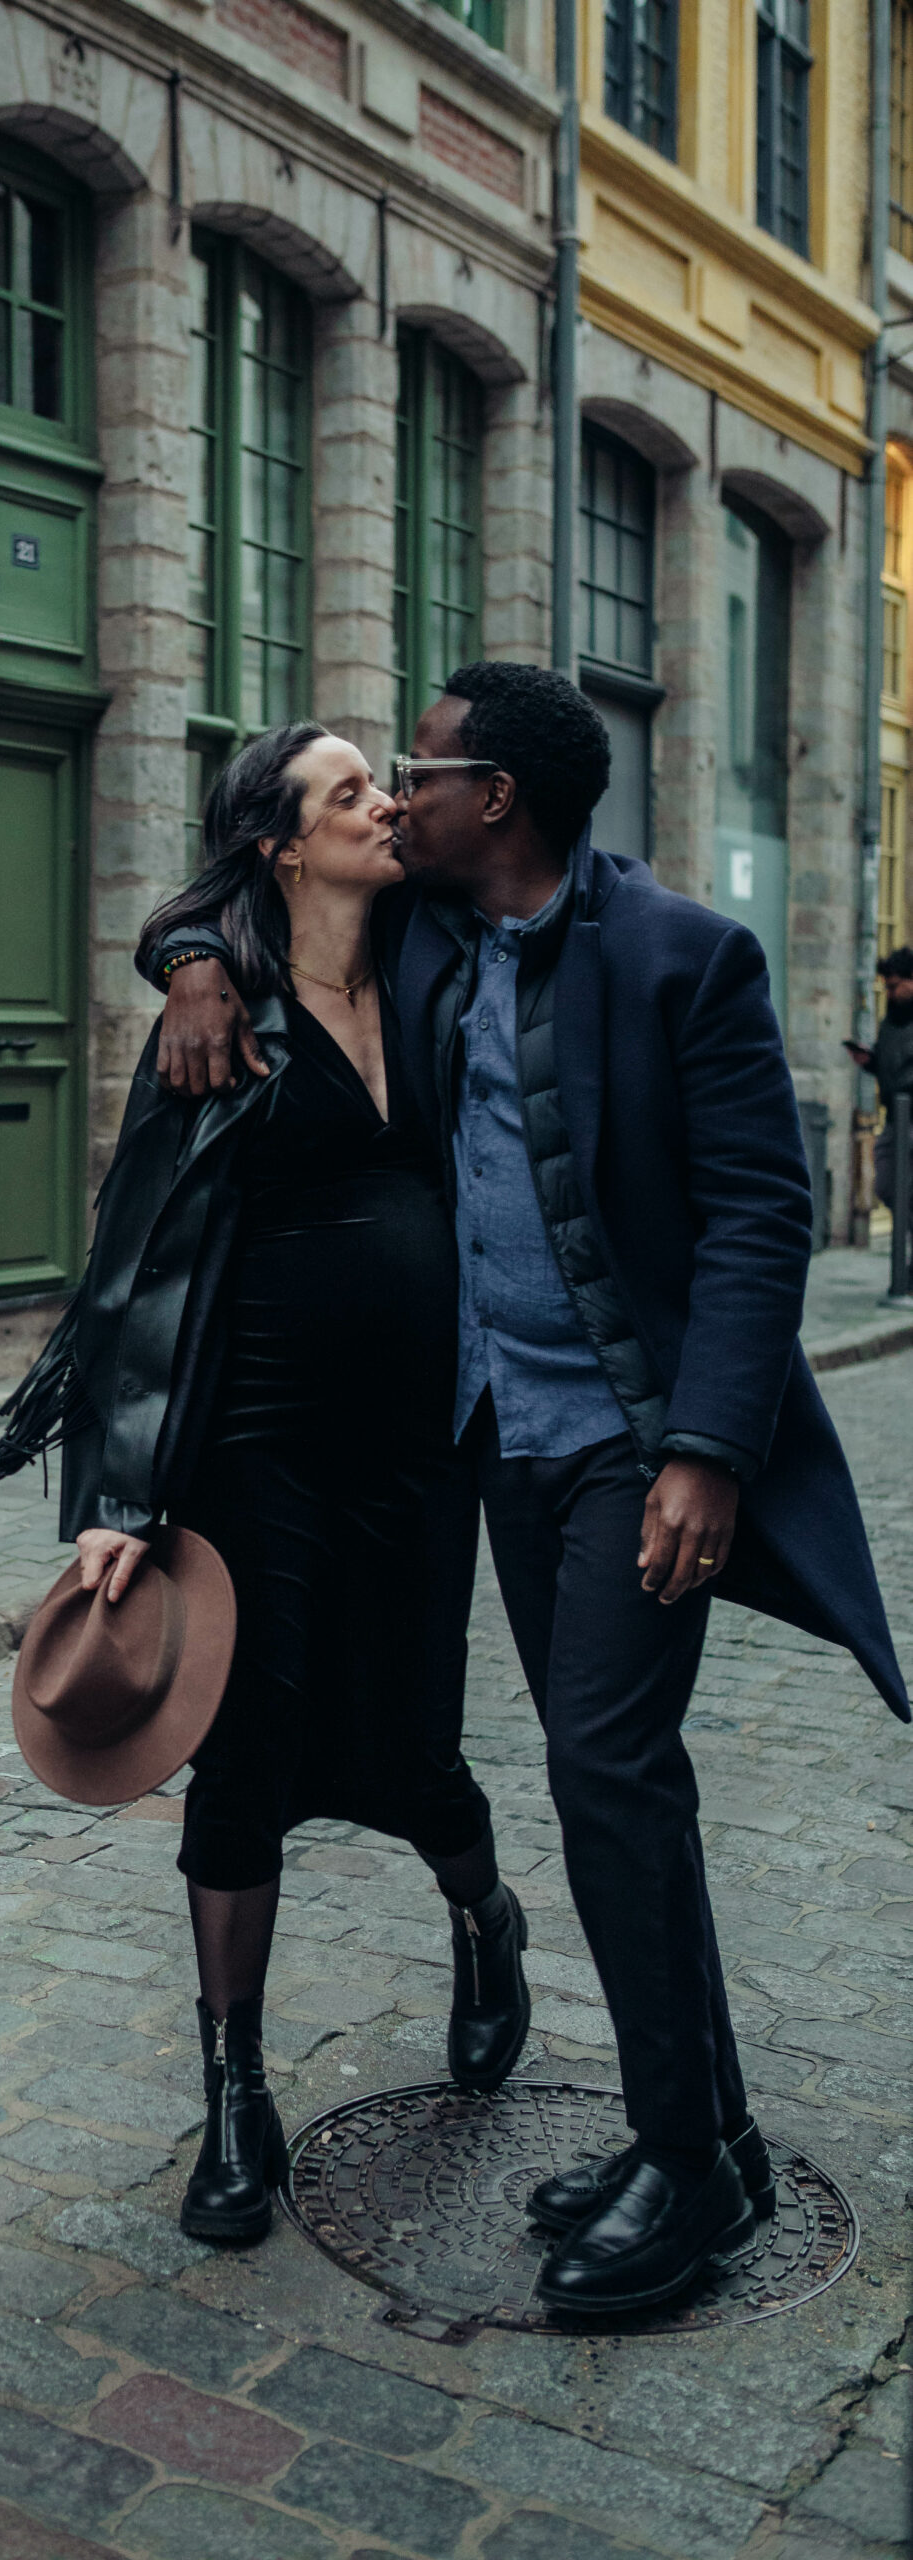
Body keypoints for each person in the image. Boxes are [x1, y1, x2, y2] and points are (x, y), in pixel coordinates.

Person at [147, 663, 908, 2315]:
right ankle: (705, 2135)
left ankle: (685, 2161)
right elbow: (241, 877)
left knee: (606, 1769)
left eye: (415, 768)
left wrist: (705, 1450)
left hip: (634, 1448)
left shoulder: (682, 956)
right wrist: (190, 963)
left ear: (491, 798)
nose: (394, 792)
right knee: (608, 1778)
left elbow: (759, 1215)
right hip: (497, 1443)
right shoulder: (430, 934)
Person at [0, 724, 530, 2247]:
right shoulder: (223, 1016)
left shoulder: (431, 953)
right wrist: (117, 1503)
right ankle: (234, 2091)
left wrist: (185, 945)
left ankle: (487, 1920)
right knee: (246, 1755)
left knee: (415, 1743)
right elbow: (133, 1268)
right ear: (281, 845)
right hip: (255, 1439)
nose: (385, 803)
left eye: (381, 783)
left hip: (417, 1445)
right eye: (350, 792)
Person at [844, 945, 913, 1208]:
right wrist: (870, 1061)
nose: (890, 993)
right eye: (887, 987)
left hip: (910, 1112)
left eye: (895, 986)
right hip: (895, 1116)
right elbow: (891, 1064)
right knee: (886, 1184)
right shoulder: (891, 1020)